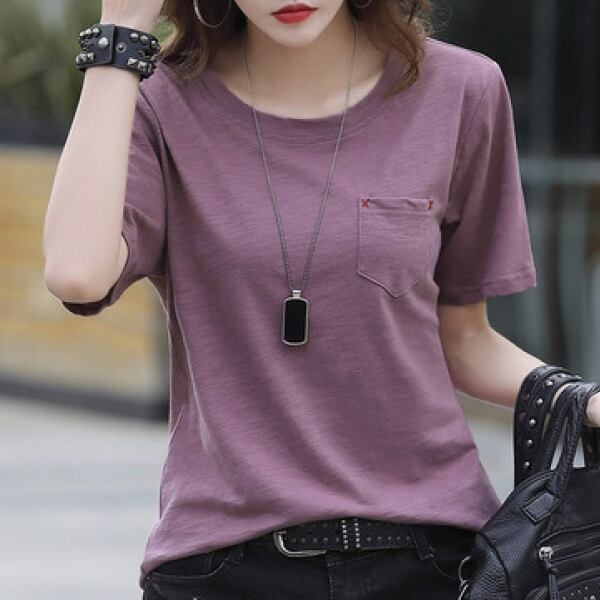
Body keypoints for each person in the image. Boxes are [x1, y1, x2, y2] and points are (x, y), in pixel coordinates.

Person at [43, 0, 600, 598]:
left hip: (430, 557)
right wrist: (121, 33)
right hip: (225, 564)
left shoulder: (461, 89)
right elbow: (77, 274)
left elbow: (464, 340)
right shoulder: (159, 103)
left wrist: (586, 400)